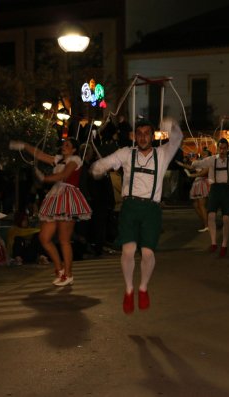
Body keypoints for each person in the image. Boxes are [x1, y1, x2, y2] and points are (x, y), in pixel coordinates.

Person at [90, 118, 183, 314]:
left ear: (152, 135)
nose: (142, 137)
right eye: (139, 134)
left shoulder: (163, 153)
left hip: (151, 209)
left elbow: (178, 137)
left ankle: (143, 288)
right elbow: (105, 163)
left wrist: (171, 124)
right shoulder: (126, 153)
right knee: (128, 252)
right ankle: (129, 289)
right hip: (130, 206)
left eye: (146, 133)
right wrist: (97, 168)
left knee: (148, 253)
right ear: (134, 136)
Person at [9, 138, 92, 286]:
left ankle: (68, 274)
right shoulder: (59, 159)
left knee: (64, 240)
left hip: (68, 197)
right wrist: (24, 145)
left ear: (74, 149)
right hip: (55, 197)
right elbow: (39, 154)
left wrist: (45, 178)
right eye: (63, 144)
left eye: (68, 145)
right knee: (44, 238)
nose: (64, 146)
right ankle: (59, 269)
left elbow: (64, 175)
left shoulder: (75, 160)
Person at [191, 138, 229, 257]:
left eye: (224, 148)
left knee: (226, 219)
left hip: (227, 190)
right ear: (217, 148)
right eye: (220, 148)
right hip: (215, 190)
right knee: (211, 215)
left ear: (227, 149)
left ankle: (224, 245)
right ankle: (213, 243)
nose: (222, 150)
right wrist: (194, 161)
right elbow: (199, 163)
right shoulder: (212, 159)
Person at [176, 157, 210, 232]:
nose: (203, 154)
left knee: (201, 205)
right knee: (195, 205)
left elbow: (203, 173)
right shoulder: (199, 162)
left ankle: (207, 225)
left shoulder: (208, 163)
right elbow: (191, 167)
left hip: (202, 182)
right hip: (197, 182)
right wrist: (180, 164)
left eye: (206, 153)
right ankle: (206, 222)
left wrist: (191, 175)